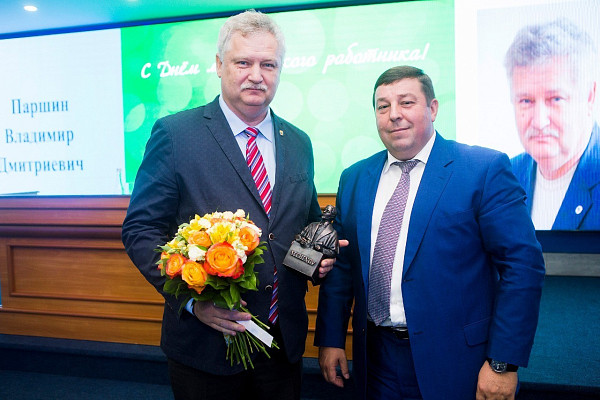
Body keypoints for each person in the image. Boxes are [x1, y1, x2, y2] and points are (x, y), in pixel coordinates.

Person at [122, 10, 341, 400]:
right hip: (206, 348)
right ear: (219, 65)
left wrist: (316, 262)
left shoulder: (298, 141)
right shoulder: (176, 135)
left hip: (282, 345)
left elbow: (297, 228)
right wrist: (193, 302)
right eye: (243, 63)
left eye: (268, 64)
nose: (256, 75)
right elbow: (140, 231)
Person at [314, 66, 545, 400]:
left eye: (406, 102)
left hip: (457, 362)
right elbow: (344, 265)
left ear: (433, 108)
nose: (394, 114)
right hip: (376, 360)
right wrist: (331, 338)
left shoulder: (482, 169)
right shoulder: (355, 177)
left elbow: (522, 266)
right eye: (383, 106)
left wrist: (502, 363)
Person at [505, 18, 600, 230]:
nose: (539, 122)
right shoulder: (504, 177)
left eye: (555, 99)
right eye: (526, 101)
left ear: (589, 97)